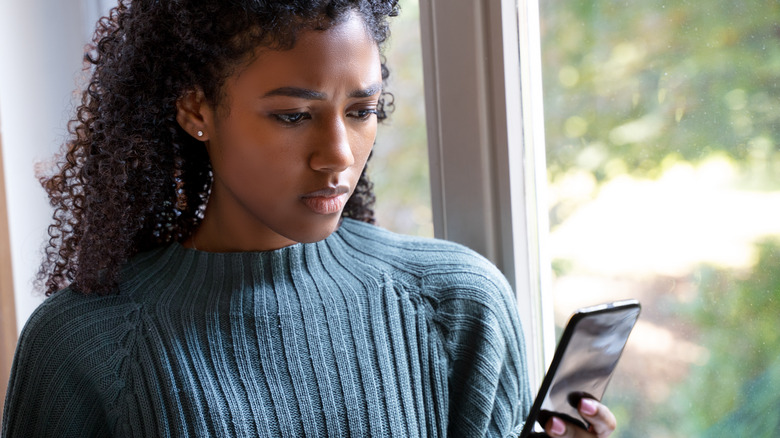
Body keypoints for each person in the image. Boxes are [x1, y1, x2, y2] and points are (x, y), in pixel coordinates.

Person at [2, 1, 616, 437]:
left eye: (362, 110)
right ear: (196, 109)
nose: (339, 155)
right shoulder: (84, 345)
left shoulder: (457, 305)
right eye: (294, 116)